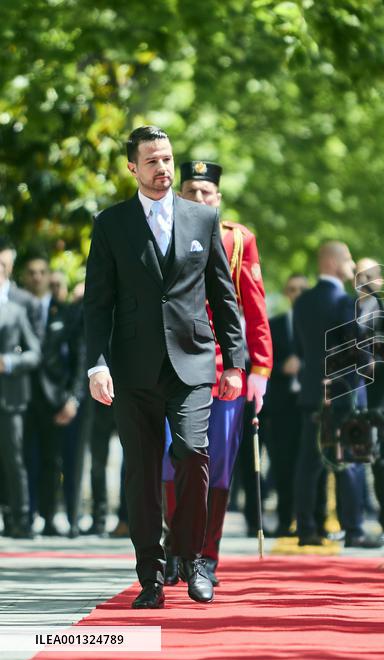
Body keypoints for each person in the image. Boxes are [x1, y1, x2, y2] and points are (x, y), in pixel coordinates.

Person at [83, 125, 245, 609]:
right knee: (141, 473)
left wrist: (234, 362)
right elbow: (97, 305)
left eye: (168, 159)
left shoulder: (202, 219)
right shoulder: (111, 224)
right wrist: (97, 365)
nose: (163, 170)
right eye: (152, 161)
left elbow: (224, 294)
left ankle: (192, 559)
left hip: (192, 365)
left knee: (194, 455)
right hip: (132, 370)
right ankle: (150, 575)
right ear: (133, 167)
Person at [160, 159, 273, 587]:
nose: (199, 199)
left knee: (218, 466)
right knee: (172, 461)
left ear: (218, 198)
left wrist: (257, 368)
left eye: (207, 193)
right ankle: (175, 548)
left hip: (225, 371)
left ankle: (206, 556)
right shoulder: (162, 232)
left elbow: (254, 308)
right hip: (173, 366)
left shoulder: (238, 240)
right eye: (191, 191)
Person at [292, 241, 381, 549]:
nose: (353, 264)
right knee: (350, 462)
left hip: (311, 392)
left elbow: (304, 348)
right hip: (343, 394)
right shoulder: (346, 303)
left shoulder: (301, 303)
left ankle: (307, 528)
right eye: (347, 258)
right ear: (332, 262)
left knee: (309, 464)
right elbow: (357, 349)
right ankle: (354, 528)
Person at [22, 254, 86, 537]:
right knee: (24, 460)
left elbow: (79, 358)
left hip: (56, 399)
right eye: (31, 272)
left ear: (48, 276)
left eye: (41, 272)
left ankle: (52, 517)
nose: (36, 277)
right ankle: (23, 516)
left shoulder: (66, 311)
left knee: (56, 461)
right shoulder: (17, 308)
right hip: (22, 398)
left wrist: (73, 397)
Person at [354, 258, 384, 542]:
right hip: (350, 396)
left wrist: (376, 358)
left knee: (381, 460)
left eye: (371, 275)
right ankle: (352, 523)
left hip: (378, 398)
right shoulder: (346, 310)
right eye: (361, 274)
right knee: (349, 460)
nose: (366, 280)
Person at [261, 273, 309, 537]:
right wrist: (282, 367)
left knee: (311, 466)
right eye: (292, 289)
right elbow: (262, 363)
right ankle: (283, 520)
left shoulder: (317, 324)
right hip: (282, 406)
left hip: (310, 403)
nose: (297, 294)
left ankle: (310, 521)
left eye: (302, 289)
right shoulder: (274, 325)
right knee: (282, 464)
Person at [0, 259, 41, 538]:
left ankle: (21, 517)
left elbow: (34, 352)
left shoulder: (15, 310)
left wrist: (8, 362)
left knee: (13, 458)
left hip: (9, 397)